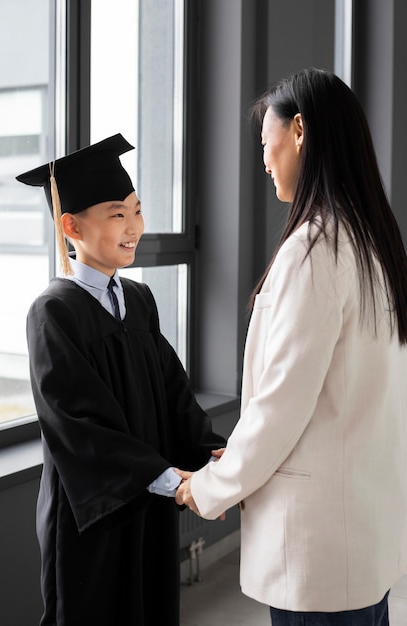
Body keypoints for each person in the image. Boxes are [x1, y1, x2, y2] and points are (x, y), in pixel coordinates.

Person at [175, 67, 407, 625]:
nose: (263, 158)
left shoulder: (315, 248)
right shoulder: (370, 242)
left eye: (265, 141)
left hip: (318, 553)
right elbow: (336, 399)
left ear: (298, 131)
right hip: (362, 539)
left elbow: (281, 404)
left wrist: (209, 488)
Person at [16, 134, 225, 626]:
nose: (134, 227)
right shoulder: (53, 312)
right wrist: (174, 482)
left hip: (147, 505)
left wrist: (214, 455)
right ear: (71, 225)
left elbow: (173, 393)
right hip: (94, 516)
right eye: (117, 215)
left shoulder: (139, 299)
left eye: (136, 210)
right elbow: (82, 427)